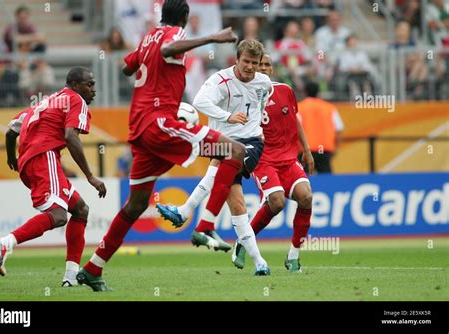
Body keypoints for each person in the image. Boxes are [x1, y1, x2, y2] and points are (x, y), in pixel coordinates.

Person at [77, 0, 243, 291]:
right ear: (185, 18)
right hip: (160, 124)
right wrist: (212, 37)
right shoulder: (174, 35)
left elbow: (127, 67)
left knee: (137, 204)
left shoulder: (147, 37)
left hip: (140, 131)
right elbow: (168, 50)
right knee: (235, 151)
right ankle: (204, 225)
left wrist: (149, 64)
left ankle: (93, 267)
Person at [157, 39, 272, 275]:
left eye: (254, 63)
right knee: (238, 204)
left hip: (250, 143)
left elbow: (262, 102)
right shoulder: (221, 80)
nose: (250, 67)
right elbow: (199, 102)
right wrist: (227, 117)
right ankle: (260, 262)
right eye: (246, 61)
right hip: (221, 141)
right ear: (236, 59)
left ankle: (187, 212)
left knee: (224, 167)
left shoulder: (264, 83)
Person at [0, 67, 106, 287]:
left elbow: (11, 131)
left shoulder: (45, 102)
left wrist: (12, 158)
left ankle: (71, 277)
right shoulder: (75, 100)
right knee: (59, 215)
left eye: (93, 84)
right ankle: (4, 243)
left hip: (30, 162)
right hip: (44, 158)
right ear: (74, 84)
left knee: (81, 210)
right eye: (89, 84)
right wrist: (90, 176)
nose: (93, 90)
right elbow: (71, 136)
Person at [232, 54, 314, 273]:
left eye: (268, 65)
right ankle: (244, 239)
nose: (265, 68)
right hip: (264, 157)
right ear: (254, 68)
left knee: (306, 196)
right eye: (261, 65)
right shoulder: (243, 94)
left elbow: (295, 120)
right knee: (277, 202)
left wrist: (306, 150)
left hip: (288, 158)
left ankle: (293, 257)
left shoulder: (286, 91)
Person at [298, 81, 344, 173]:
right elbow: (339, 128)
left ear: (305, 92)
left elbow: (294, 128)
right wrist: (336, 148)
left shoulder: (299, 107)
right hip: (322, 149)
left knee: (303, 180)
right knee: (326, 180)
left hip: (305, 150)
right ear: (318, 92)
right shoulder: (329, 107)